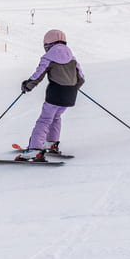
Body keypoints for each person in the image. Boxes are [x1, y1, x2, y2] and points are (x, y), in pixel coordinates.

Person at [17, 29, 85, 162]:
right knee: (56, 117)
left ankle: (35, 149)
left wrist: (27, 86)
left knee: (45, 120)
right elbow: (81, 78)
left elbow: (38, 75)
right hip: (70, 96)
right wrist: (72, 87)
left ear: (47, 44)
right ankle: (51, 144)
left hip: (55, 94)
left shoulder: (48, 57)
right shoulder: (72, 57)